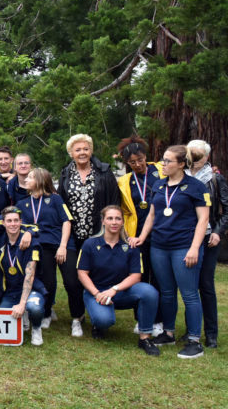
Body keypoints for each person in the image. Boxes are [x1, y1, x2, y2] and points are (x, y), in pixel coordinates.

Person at [131, 145, 210, 359]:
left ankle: (194, 341)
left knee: (189, 294)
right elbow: (152, 216)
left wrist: (195, 247)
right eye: (163, 160)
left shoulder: (196, 186)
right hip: (159, 246)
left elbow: (203, 220)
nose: (163, 164)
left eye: (168, 161)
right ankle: (169, 333)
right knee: (166, 292)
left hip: (184, 247)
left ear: (182, 164)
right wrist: (143, 237)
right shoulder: (158, 185)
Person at [58, 133, 120, 337]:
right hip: (72, 236)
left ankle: (98, 319)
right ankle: (77, 317)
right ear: (71, 153)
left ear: (91, 151)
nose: (82, 152)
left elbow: (113, 203)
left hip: (97, 236)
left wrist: (110, 232)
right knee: (71, 279)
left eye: (85, 149)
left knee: (97, 277)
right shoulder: (65, 174)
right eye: (78, 150)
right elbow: (62, 206)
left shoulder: (104, 172)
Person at [78, 206, 161, 356]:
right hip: (97, 292)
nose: (114, 222)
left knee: (149, 292)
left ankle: (145, 338)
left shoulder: (130, 245)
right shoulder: (90, 244)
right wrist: (97, 293)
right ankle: (99, 325)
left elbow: (136, 276)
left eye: (118, 218)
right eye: (110, 218)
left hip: (121, 291)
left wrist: (115, 289)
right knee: (104, 320)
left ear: (123, 222)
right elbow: (82, 273)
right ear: (103, 221)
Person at [116, 136, 164, 335]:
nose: (137, 165)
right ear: (127, 163)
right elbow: (121, 210)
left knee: (160, 278)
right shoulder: (124, 182)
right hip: (136, 237)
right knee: (139, 277)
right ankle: (141, 319)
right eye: (132, 162)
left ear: (146, 156)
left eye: (140, 160)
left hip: (161, 233)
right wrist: (126, 235)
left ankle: (160, 321)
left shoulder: (162, 170)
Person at [18, 168, 75, 330]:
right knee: (48, 283)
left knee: (72, 282)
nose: (26, 179)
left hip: (61, 244)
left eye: (30, 177)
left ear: (41, 181)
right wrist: (28, 232)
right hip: (42, 247)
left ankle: (77, 318)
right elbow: (19, 225)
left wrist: (63, 246)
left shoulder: (55, 199)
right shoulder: (22, 203)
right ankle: (47, 312)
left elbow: (67, 221)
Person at [185, 140, 228, 348]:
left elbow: (226, 210)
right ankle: (190, 331)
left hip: (209, 238)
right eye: (191, 154)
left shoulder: (215, 179)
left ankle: (211, 334)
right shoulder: (180, 176)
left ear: (207, 157)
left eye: (199, 155)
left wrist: (219, 232)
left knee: (206, 285)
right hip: (185, 237)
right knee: (188, 285)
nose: (195, 159)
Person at [0, 206, 47, 346]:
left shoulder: (31, 243)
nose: (13, 224)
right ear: (3, 223)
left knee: (34, 308)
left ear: (21, 222)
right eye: (9, 221)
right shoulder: (0, 241)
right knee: (1, 319)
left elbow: (30, 275)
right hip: (10, 292)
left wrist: (23, 303)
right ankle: (22, 317)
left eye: (16, 221)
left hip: (31, 289)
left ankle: (36, 327)